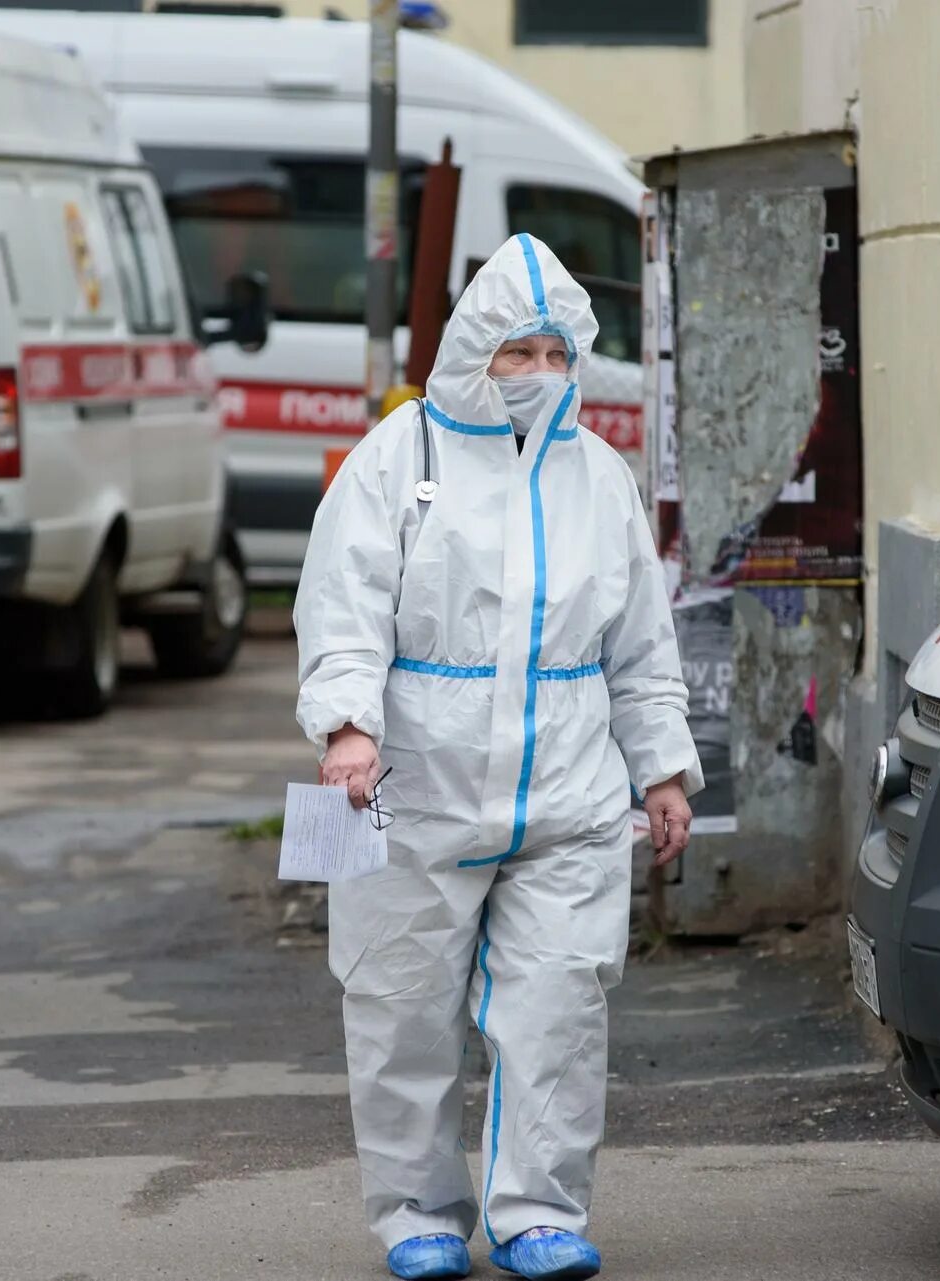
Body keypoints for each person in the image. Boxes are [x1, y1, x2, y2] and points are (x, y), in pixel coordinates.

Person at [294, 234, 702, 1281]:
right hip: (404, 786)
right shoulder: (398, 460)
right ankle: (416, 1213)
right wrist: (346, 726)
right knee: (395, 1005)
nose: (541, 375)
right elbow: (344, 607)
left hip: (566, 789)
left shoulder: (596, 476)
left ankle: (539, 1214)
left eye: (559, 354)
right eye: (518, 352)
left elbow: (641, 644)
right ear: (475, 351)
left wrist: (660, 768)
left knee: (560, 1002)